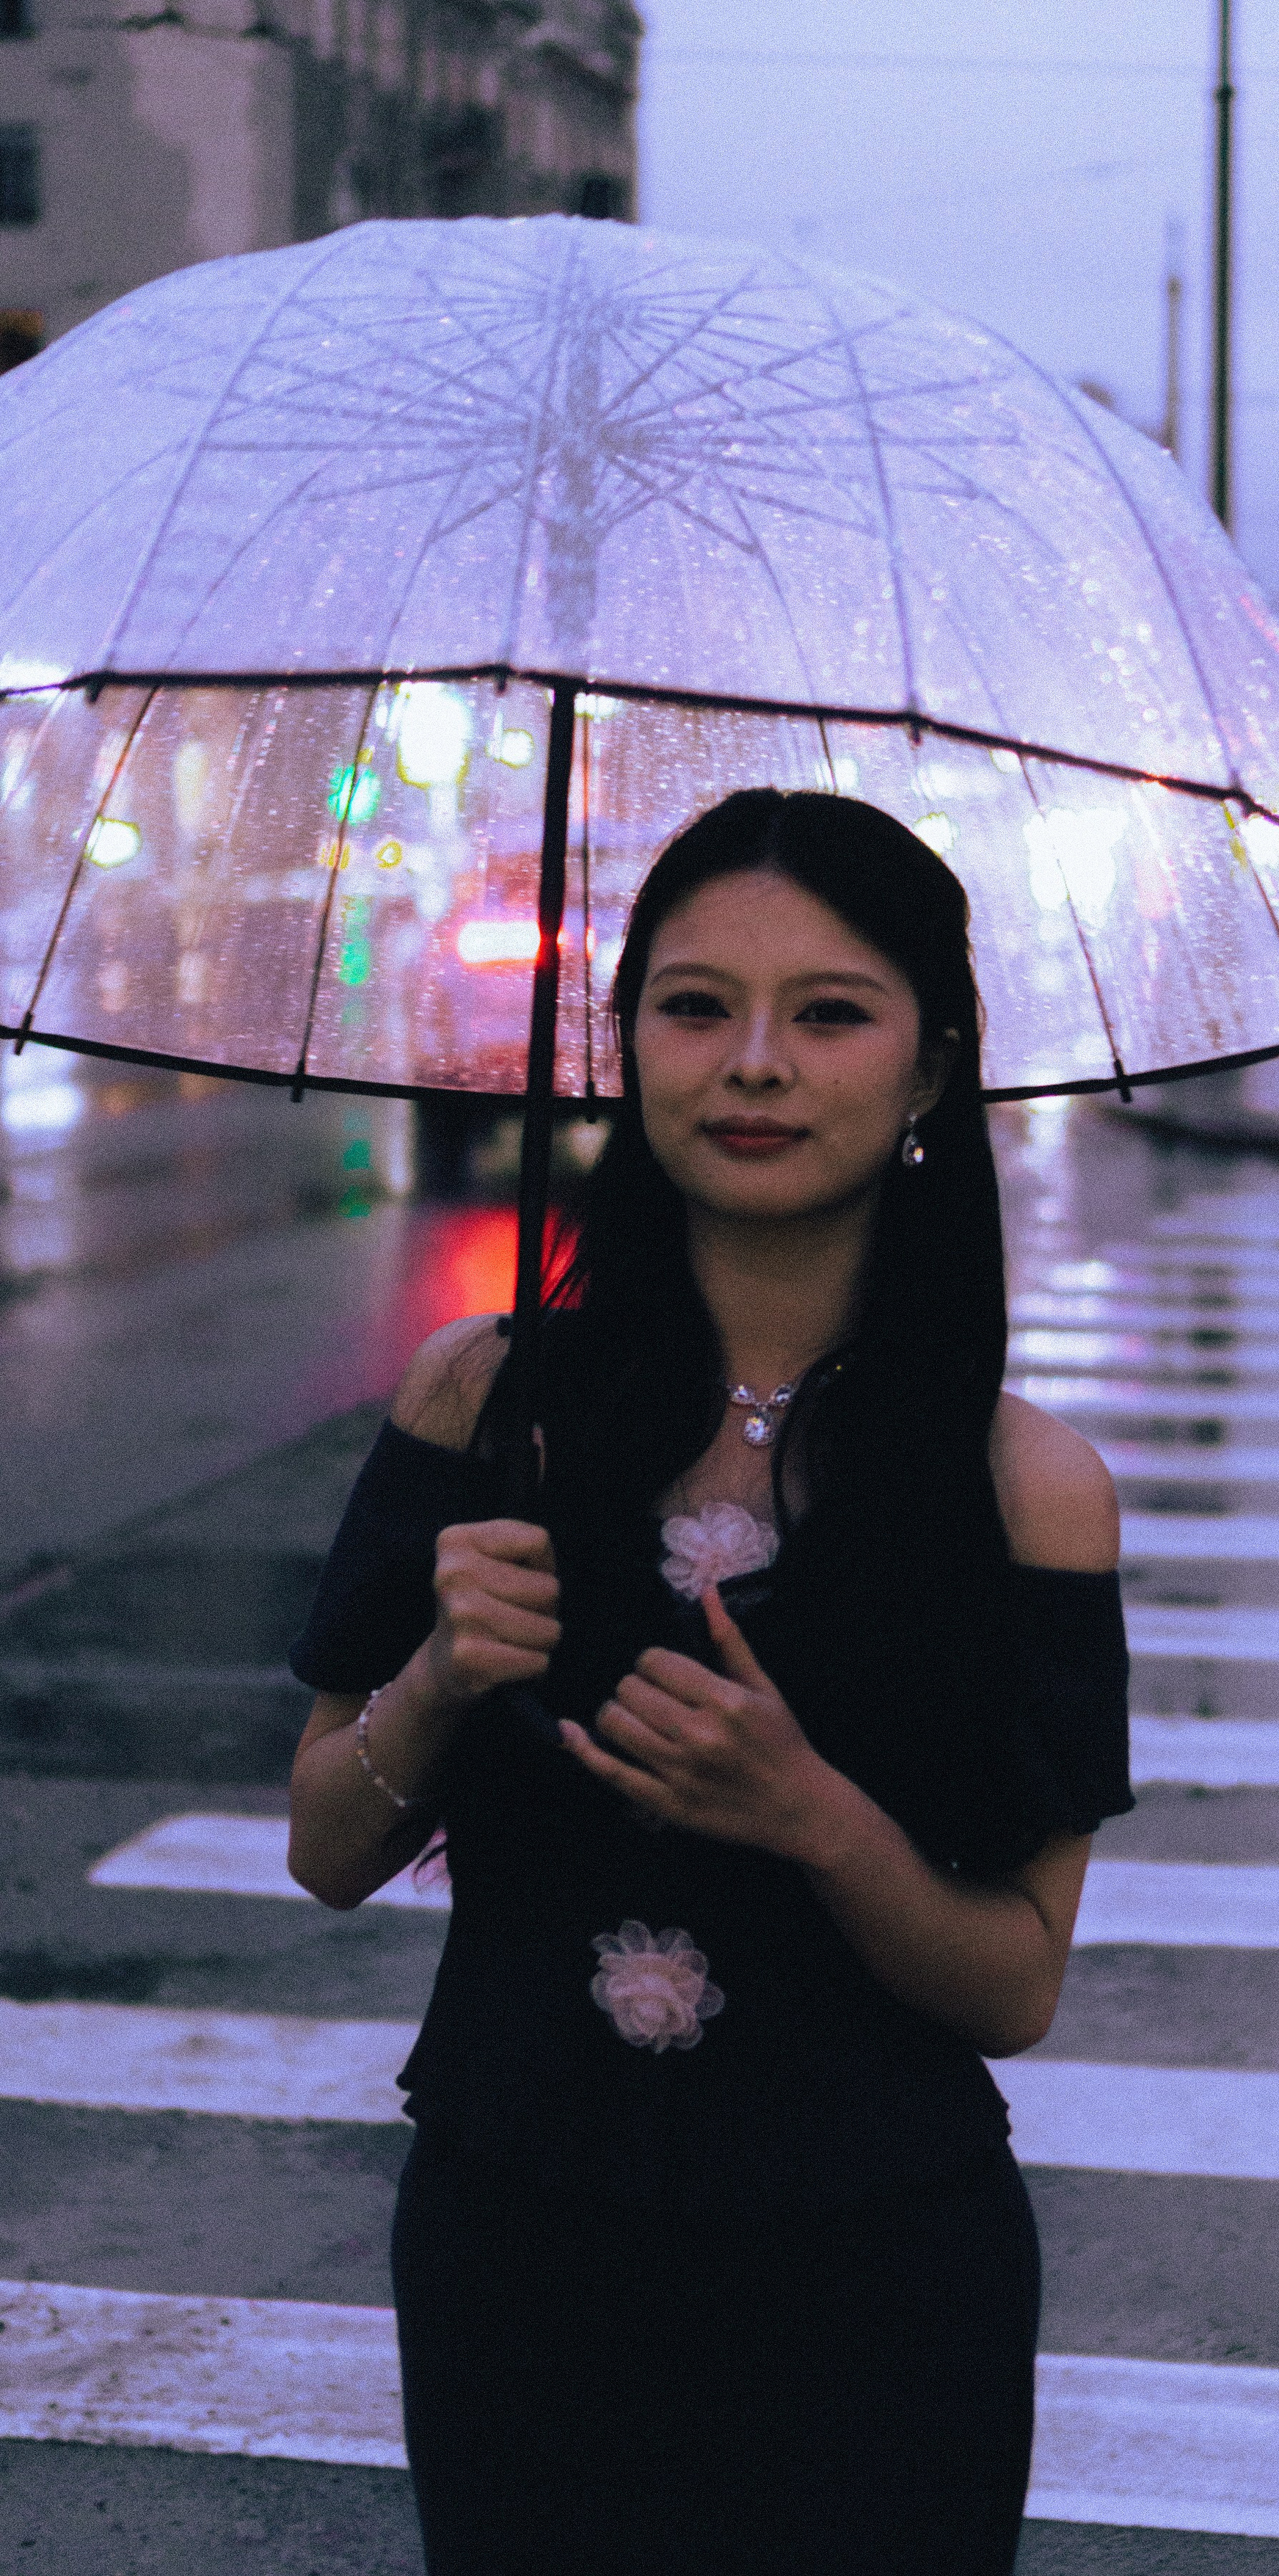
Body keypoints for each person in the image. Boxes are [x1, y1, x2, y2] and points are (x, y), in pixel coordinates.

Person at [284, 789, 1132, 2576]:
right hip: (519, 2229)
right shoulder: (482, 1403)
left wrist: (809, 1813)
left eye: (829, 1011)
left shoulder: (1022, 1487)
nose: (752, 1062)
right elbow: (323, 1840)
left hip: (879, 2263)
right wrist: (439, 1674)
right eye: (692, 1004)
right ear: (622, 1045)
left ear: (928, 1069)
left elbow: (1012, 1984)